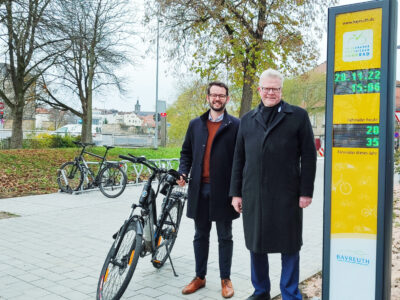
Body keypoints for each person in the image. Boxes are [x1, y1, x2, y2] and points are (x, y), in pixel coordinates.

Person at [229, 69, 317, 300]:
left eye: (275, 89)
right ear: (259, 89)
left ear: (281, 90)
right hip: (254, 193)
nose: (270, 92)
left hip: (287, 193)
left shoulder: (297, 116)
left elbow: (308, 155)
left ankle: (289, 292)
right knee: (256, 244)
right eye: (266, 88)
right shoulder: (247, 119)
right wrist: (235, 193)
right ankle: (261, 292)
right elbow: (239, 158)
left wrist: (306, 191)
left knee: (290, 245)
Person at [177, 81, 240, 298]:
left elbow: (241, 160)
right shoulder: (196, 124)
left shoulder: (235, 125)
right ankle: (200, 277)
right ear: (207, 98)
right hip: (199, 189)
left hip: (224, 192)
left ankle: (225, 279)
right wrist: (183, 172)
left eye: (221, 95)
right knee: (200, 235)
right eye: (214, 95)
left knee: (225, 236)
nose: (217, 99)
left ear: (227, 99)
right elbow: (186, 153)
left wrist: (238, 191)